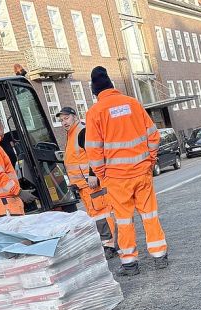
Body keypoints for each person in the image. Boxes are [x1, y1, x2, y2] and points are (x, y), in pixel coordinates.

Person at [84, 66, 167, 276]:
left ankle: (130, 263)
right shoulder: (132, 103)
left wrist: (102, 175)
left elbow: (93, 150)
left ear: (95, 92)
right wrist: (149, 162)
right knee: (150, 215)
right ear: (112, 85)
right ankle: (159, 256)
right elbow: (153, 136)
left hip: (116, 178)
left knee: (123, 220)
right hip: (141, 172)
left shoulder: (95, 112)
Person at [57, 106, 118, 259]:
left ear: (75, 117)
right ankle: (107, 243)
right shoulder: (71, 134)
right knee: (96, 215)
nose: (64, 122)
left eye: (66, 118)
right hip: (83, 185)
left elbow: (95, 153)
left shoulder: (82, 131)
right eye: (61, 120)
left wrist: (93, 175)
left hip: (91, 182)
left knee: (102, 213)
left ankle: (111, 245)